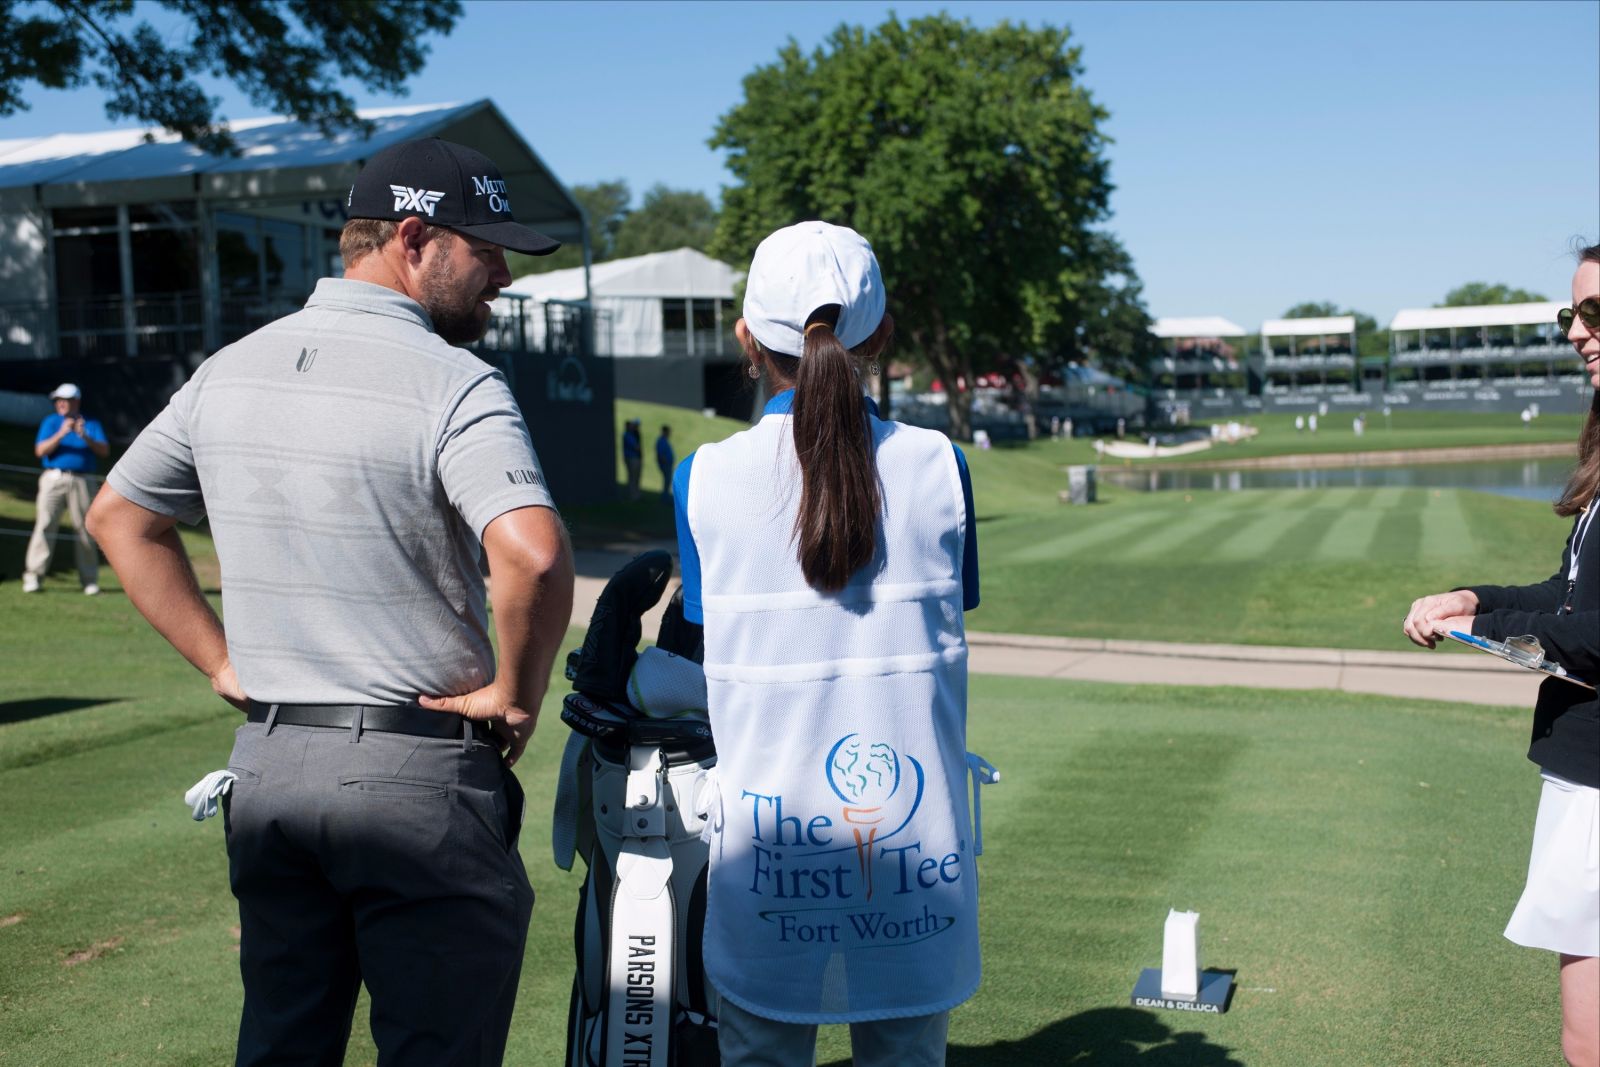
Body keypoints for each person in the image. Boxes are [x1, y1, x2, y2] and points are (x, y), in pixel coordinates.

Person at [85, 137, 576, 1067]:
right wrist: (516, 694)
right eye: (489, 249)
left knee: (282, 1047)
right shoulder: (456, 379)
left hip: (272, 771)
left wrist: (225, 665)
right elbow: (535, 555)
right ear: (415, 236)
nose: (504, 274)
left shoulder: (230, 366)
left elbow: (119, 518)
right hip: (418, 780)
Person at [672, 221, 985, 1066]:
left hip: (766, 857)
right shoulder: (940, 465)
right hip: (915, 855)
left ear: (746, 338)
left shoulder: (700, 477)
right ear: (881, 336)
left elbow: (708, 635)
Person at [1402, 243, 1599, 1067]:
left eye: (1595, 314)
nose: (1578, 331)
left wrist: (1512, 636)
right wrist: (1473, 602)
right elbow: (1570, 594)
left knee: (1587, 1035)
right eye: (1572, 314)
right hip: (1584, 771)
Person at [22, 383, 108, 595]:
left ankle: (89, 579)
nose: (60, 403)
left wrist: (84, 436)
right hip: (53, 478)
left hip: (82, 480)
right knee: (45, 525)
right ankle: (34, 577)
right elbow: (40, 450)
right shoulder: (51, 422)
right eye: (58, 400)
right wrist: (61, 433)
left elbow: (104, 451)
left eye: (65, 400)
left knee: (85, 529)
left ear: (76, 402)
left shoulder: (91, 423)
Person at [622, 418, 643, 500]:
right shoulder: (627, 435)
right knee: (633, 477)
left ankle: (636, 494)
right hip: (632, 458)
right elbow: (636, 447)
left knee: (636, 477)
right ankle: (633, 495)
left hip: (635, 458)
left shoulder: (633, 434)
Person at [655, 423, 674, 497]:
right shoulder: (661, 441)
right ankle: (664, 498)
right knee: (667, 481)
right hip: (665, 465)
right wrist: (666, 462)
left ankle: (665, 497)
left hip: (667, 464)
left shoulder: (664, 440)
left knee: (668, 481)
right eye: (668, 432)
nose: (669, 433)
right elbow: (660, 454)